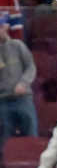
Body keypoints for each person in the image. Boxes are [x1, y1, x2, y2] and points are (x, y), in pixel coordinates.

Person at [0, 13, 37, 159]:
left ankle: (34, 163)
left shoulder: (18, 45)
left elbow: (31, 67)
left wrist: (23, 83)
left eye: (1, 27)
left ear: (6, 28)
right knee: (5, 138)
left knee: (31, 132)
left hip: (23, 99)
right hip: (3, 100)